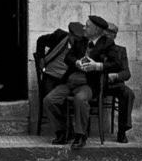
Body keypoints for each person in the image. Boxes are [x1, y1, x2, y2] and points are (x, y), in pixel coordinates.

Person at [43, 15, 120, 150]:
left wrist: (97, 66)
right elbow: (68, 57)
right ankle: (63, 132)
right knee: (49, 100)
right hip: (70, 81)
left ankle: (81, 135)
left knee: (80, 98)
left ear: (96, 30)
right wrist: (76, 62)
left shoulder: (107, 44)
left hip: (88, 84)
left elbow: (116, 64)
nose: (84, 28)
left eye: (87, 26)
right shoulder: (81, 41)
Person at [104, 22, 135, 143]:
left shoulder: (120, 51)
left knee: (128, 93)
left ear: (114, 37)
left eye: (111, 35)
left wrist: (116, 76)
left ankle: (122, 131)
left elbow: (126, 73)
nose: (108, 38)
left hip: (114, 84)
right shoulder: (95, 49)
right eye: (106, 34)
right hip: (97, 84)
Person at [36, 22, 86, 96]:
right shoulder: (59, 36)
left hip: (66, 78)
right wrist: (41, 58)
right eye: (74, 38)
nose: (76, 41)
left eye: (79, 39)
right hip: (51, 74)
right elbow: (41, 40)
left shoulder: (82, 46)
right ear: (70, 35)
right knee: (48, 97)